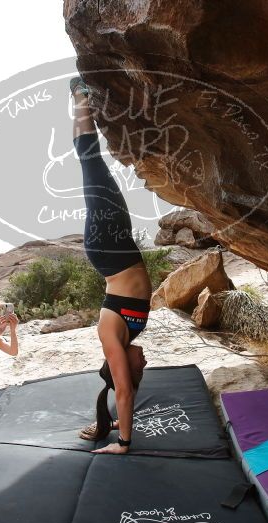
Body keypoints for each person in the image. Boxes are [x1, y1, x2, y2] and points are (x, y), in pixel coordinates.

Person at [70, 77, 151, 455]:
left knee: (91, 163)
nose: (144, 361)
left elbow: (123, 391)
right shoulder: (129, 335)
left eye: (139, 367)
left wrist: (123, 443)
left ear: (123, 366)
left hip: (108, 248)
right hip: (119, 246)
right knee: (94, 167)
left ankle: (79, 95)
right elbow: (126, 393)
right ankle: (83, 98)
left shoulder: (111, 335)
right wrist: (119, 419)